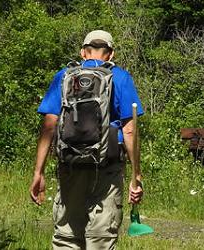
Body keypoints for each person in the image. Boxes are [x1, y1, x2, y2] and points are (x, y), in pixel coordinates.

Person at [29, 30, 144, 249]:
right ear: (111, 54)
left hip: (69, 165)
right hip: (107, 168)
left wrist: (38, 172)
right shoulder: (120, 77)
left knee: (66, 236)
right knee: (100, 237)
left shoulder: (63, 76)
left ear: (83, 52)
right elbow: (129, 131)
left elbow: (49, 126)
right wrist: (136, 176)